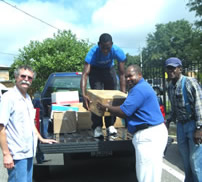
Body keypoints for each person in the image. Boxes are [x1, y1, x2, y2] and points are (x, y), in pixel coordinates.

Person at [97, 64, 168, 182]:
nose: (128, 79)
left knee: (147, 177)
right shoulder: (142, 87)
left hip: (148, 135)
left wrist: (107, 108)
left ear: (139, 74)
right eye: (126, 77)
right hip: (152, 133)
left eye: (131, 76)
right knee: (151, 175)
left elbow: (124, 112)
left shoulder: (139, 90)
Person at [0, 65, 57, 182]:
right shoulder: (8, 98)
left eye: (29, 78)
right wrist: (6, 154)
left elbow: (30, 122)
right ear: (16, 77)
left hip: (29, 151)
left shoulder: (27, 98)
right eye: (23, 76)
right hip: (17, 154)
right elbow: (1, 127)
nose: (26, 79)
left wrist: (41, 138)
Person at [80, 33, 127, 138]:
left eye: (108, 48)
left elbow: (122, 73)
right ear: (99, 44)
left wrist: (123, 93)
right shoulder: (92, 53)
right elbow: (84, 75)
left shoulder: (117, 51)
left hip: (109, 70)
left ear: (112, 45)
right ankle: (97, 126)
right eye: (103, 48)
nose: (105, 51)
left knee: (112, 98)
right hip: (95, 72)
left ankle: (110, 124)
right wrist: (83, 94)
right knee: (97, 98)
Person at [165, 57, 202, 182]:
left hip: (193, 125)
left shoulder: (190, 82)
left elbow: (199, 105)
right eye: (168, 68)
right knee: (186, 162)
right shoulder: (170, 86)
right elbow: (173, 108)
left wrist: (199, 128)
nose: (171, 71)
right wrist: (168, 121)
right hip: (180, 126)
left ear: (180, 69)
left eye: (173, 68)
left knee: (195, 162)